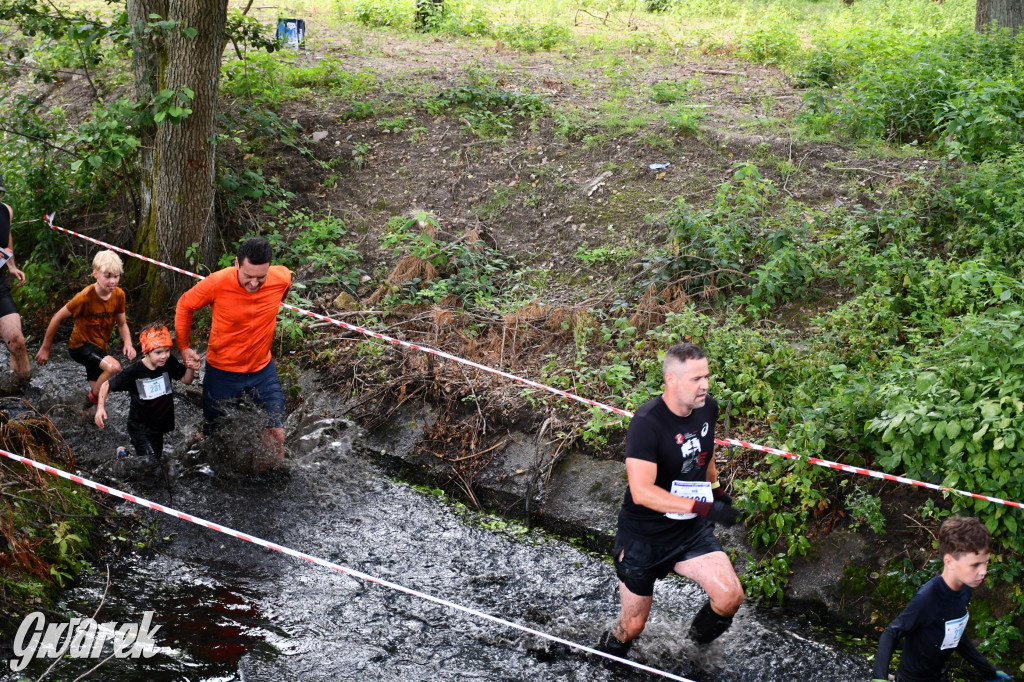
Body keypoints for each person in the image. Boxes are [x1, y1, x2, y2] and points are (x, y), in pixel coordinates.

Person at [598, 342, 744, 658]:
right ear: (671, 380)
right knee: (632, 626)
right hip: (643, 538)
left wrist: (716, 490)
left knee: (729, 596)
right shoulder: (647, 423)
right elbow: (642, 491)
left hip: (689, 531)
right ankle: (605, 660)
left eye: (706, 376)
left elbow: (706, 452)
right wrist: (703, 507)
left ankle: (689, 653)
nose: (704, 385)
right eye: (695, 379)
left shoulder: (708, 408)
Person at [174, 237, 292, 462]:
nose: (254, 284)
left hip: (262, 371)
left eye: (261, 277)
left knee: (276, 435)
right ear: (237, 264)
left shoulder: (282, 278)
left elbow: (281, 294)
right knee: (215, 438)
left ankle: (264, 486)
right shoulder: (217, 282)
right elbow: (185, 305)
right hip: (222, 372)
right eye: (248, 276)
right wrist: (184, 347)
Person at [871, 516, 1013, 682]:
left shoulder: (965, 589)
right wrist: (879, 677)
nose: (983, 571)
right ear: (949, 562)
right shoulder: (928, 598)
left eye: (985, 563)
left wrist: (988, 670)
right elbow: (892, 632)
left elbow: (955, 635)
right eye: (975, 565)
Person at [35, 250, 136, 404]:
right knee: (114, 367)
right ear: (95, 273)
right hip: (80, 346)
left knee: (99, 394)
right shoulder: (84, 297)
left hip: (100, 346)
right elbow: (57, 317)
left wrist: (128, 343)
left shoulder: (119, 295)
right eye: (107, 276)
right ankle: (90, 399)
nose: (112, 281)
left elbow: (122, 323)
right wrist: (46, 347)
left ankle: (84, 410)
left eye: (116, 276)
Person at [94, 322, 200, 461]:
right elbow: (106, 385)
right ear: (146, 351)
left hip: (158, 425)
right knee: (150, 464)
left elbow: (186, 380)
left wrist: (191, 367)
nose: (164, 356)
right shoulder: (134, 371)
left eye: (167, 351)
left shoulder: (168, 363)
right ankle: (125, 456)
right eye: (158, 352)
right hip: (139, 426)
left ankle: (125, 454)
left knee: (155, 460)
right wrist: (100, 408)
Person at [0, 173, 31, 386]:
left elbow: (7, 236)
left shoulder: (5, 211)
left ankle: (22, 398)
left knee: (18, 342)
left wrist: (11, 265)